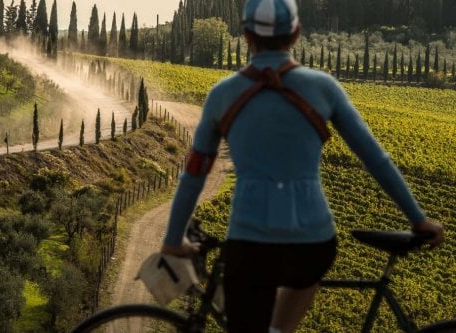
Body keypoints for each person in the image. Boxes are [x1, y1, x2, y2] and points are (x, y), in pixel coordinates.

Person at [160, 0, 445, 332]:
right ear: (295, 34)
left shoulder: (222, 95)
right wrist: (418, 218)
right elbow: (375, 158)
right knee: (301, 282)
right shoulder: (323, 87)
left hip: (251, 240)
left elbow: (195, 173)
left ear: (246, 35)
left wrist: (172, 238)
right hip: (313, 242)